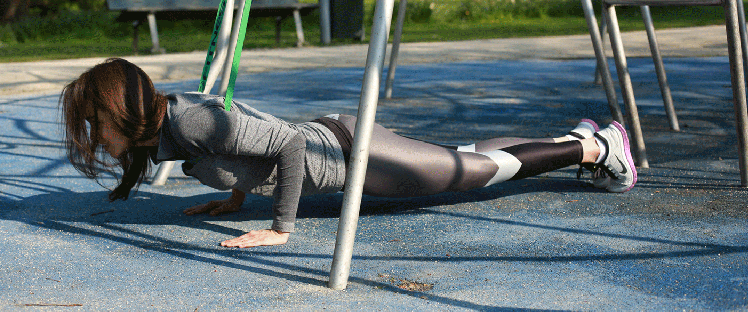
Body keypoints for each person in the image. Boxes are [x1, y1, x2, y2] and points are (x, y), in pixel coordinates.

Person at [61, 58, 637, 249]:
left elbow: (283, 141)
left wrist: (280, 228)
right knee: (461, 156)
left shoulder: (189, 119)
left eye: (95, 127)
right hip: (341, 143)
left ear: (121, 114)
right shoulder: (175, 126)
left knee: (472, 173)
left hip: (351, 155)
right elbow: (251, 139)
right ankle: (579, 138)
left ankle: (596, 146)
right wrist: (238, 194)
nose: (98, 141)